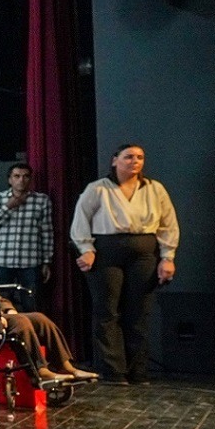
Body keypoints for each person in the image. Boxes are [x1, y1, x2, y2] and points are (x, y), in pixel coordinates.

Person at [69, 143, 179, 384]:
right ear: (114, 161)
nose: (135, 161)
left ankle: (137, 371)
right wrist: (87, 249)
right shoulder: (98, 189)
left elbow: (168, 224)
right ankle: (112, 371)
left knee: (139, 311)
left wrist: (167, 257)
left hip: (144, 252)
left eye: (140, 157)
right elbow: (80, 221)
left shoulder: (154, 189)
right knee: (107, 310)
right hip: (107, 252)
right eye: (129, 157)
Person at [0, 248, 94, 382]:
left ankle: (66, 366)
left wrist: (9, 310)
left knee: (40, 319)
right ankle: (40, 370)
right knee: (20, 321)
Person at [0, 162, 55, 310]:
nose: (21, 180)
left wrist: (47, 262)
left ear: (30, 180)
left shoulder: (41, 200)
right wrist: (8, 207)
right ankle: (5, 333)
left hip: (30, 263)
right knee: (1, 304)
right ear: (10, 180)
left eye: (26, 176)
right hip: (1, 261)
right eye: (17, 176)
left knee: (31, 305)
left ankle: (30, 333)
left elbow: (47, 233)